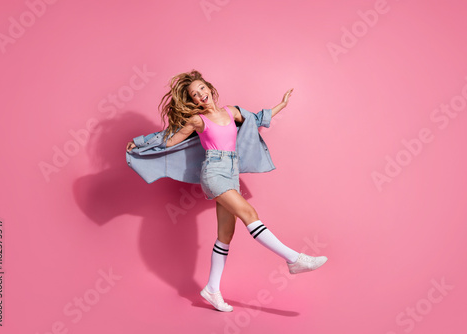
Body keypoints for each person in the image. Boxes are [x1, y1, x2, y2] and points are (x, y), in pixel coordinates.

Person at [126, 70, 327, 312]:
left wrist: (280, 106)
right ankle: (294, 259)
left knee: (225, 234)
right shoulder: (197, 121)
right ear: (192, 101)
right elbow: (167, 139)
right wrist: (139, 142)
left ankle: (211, 289)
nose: (201, 95)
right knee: (249, 213)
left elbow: (254, 119)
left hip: (232, 171)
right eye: (194, 95)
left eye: (202, 89)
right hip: (213, 171)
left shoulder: (231, 112)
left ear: (210, 89)